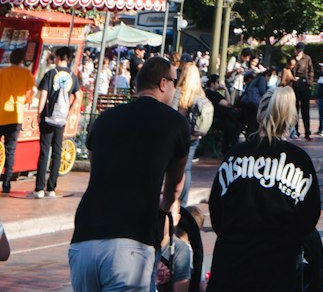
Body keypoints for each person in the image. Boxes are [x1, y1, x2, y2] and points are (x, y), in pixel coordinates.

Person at [68, 56, 190, 292]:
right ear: (164, 83)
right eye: (175, 82)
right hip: (131, 240)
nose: (176, 89)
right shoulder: (175, 123)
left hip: (85, 236)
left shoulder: (105, 119)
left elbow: (96, 169)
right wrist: (165, 210)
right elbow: (175, 184)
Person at [209, 85, 321, 292]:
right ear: (290, 118)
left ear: (260, 115)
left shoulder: (236, 154)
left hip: (231, 262)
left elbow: (216, 207)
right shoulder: (299, 160)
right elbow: (310, 215)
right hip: (278, 265)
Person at [34, 46, 80, 198]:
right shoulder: (73, 76)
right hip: (61, 119)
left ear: (58, 57)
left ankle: (39, 188)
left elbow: (43, 95)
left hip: (48, 117)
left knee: (44, 151)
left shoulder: (50, 73)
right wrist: (69, 111)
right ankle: (51, 188)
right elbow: (78, 97)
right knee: (57, 152)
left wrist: (39, 113)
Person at [174, 61, 213, 208]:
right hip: (194, 135)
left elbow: (171, 113)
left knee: (172, 167)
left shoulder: (180, 92)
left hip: (179, 135)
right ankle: (182, 202)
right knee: (187, 168)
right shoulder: (200, 94)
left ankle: (173, 197)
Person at [0, 45, 36, 194]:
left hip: (1, 113)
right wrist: (25, 101)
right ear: (22, 60)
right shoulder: (27, 74)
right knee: (11, 150)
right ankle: (7, 182)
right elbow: (32, 91)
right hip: (16, 115)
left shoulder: (2, 72)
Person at [290, 44, 314, 141]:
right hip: (294, 85)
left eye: (301, 50)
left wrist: (309, 82)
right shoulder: (292, 58)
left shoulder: (307, 58)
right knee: (294, 110)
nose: (299, 51)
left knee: (305, 110)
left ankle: (307, 132)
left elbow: (311, 71)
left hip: (304, 84)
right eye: (298, 49)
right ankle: (295, 131)